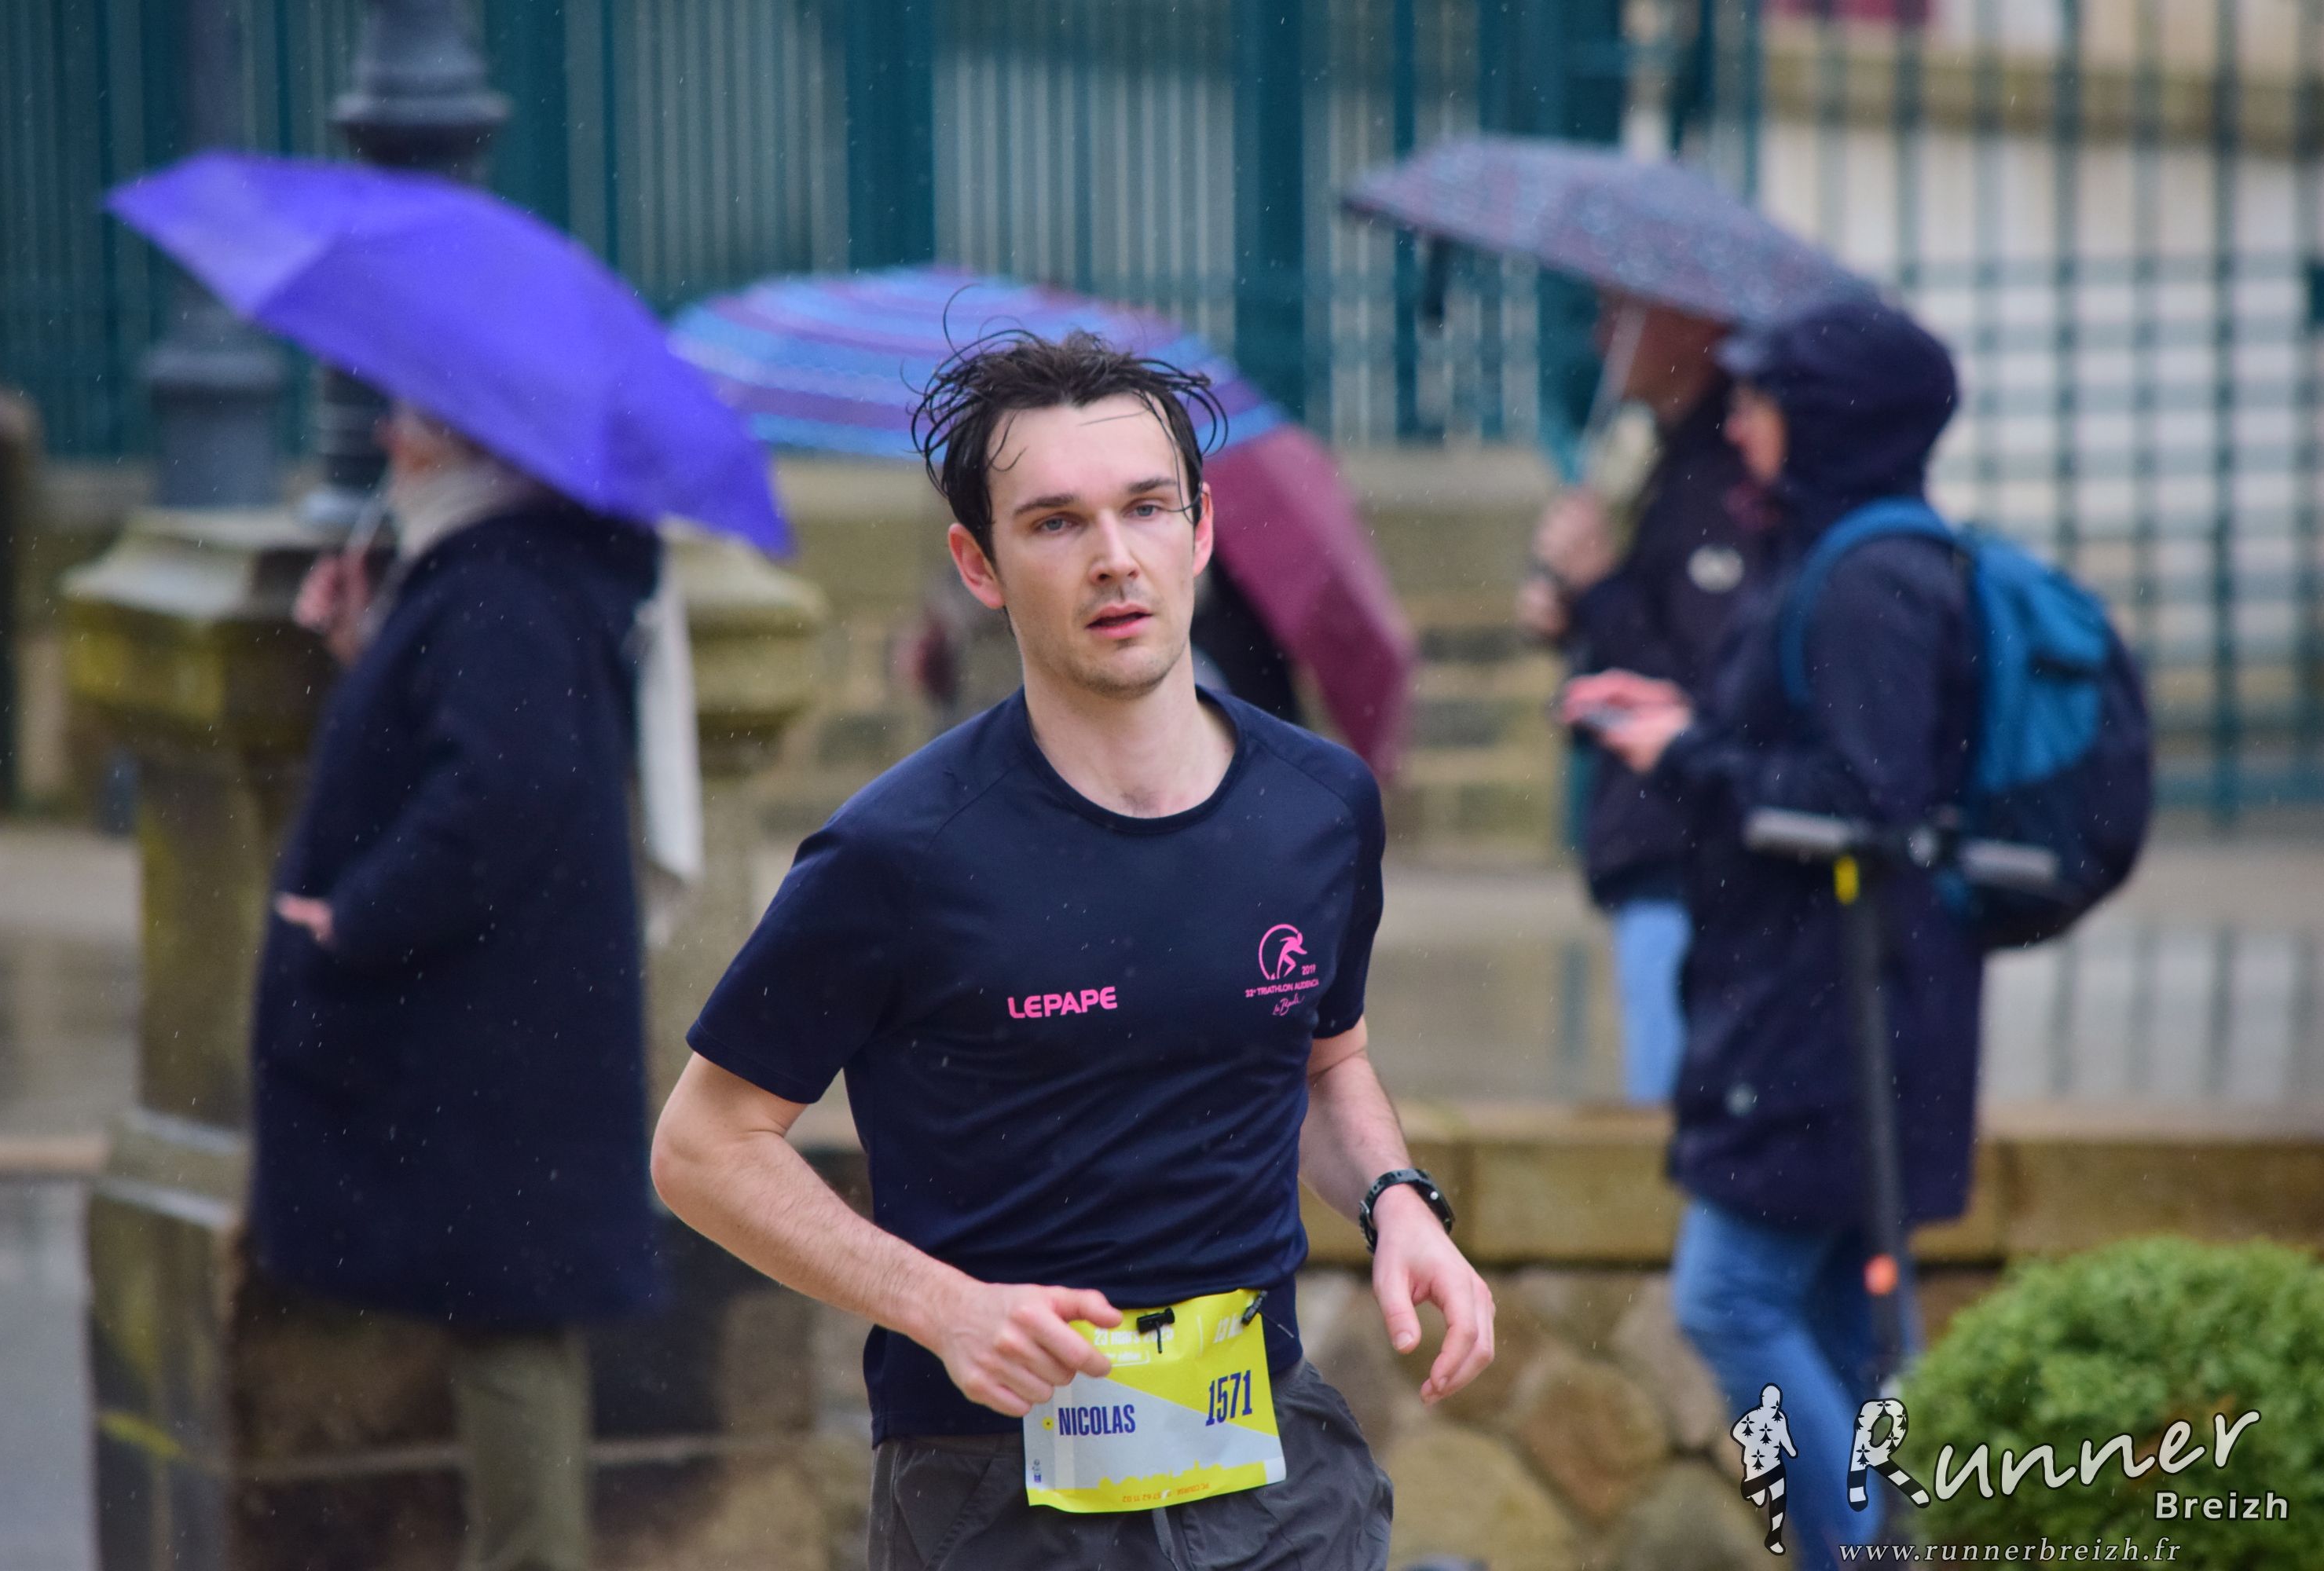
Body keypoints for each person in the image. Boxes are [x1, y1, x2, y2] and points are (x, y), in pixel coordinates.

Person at [651, 330, 1494, 1570]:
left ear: (1201, 531)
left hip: (1271, 1472)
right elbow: (703, 1149)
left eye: (1147, 507)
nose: (1114, 558)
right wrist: (942, 1307)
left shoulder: (1319, 806)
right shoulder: (896, 854)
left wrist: (1395, 1203)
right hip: (994, 1494)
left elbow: (1326, 1062)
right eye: (1055, 523)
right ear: (978, 565)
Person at [1561, 296, 1978, 1567]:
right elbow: (1821, 759)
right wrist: (1686, 725)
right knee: (1842, 1323)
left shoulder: (1866, 581)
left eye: (1763, 400)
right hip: (1830, 1006)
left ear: (1830, 420)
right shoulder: (1835, 557)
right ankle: (1866, 1545)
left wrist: (1687, 755)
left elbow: (1866, 801)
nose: (1738, 423)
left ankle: (1859, 1550)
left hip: (1831, 1013)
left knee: (1729, 1296)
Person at [250, 402, 667, 1571]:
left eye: (419, 422)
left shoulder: (501, 585)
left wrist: (359, 914)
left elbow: (496, 792)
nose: (390, 441)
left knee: (508, 1323)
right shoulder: (496, 576)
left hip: (497, 1029)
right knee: (505, 1313)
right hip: (510, 1025)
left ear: (483, 442)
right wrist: (371, 641)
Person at [1515, 288, 1765, 1103]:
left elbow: (1701, 688)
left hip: (1687, 852)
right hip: (1666, 849)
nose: (1601, 337)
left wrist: (1600, 587)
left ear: (1696, 324)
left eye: (1622, 315)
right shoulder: (1671, 461)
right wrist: (1578, 611)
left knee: (1681, 1115)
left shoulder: (1723, 479)